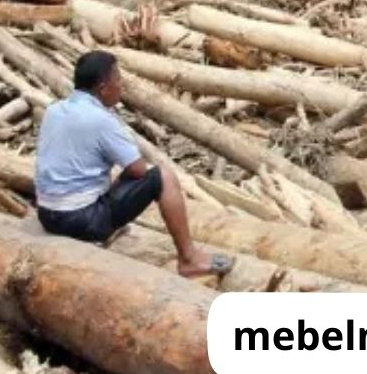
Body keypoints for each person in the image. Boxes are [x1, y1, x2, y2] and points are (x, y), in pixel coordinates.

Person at [34, 50, 231, 278]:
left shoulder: (54, 110)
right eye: (118, 80)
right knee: (163, 176)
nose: (121, 86)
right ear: (103, 88)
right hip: (80, 221)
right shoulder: (102, 121)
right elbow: (137, 169)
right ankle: (188, 258)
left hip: (48, 214)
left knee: (121, 175)